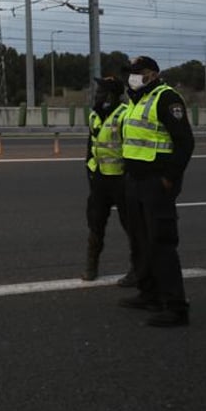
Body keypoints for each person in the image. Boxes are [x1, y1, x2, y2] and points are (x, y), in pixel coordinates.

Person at [116, 56, 195, 327]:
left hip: (155, 183)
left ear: (152, 74)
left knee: (161, 243)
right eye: (130, 73)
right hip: (135, 181)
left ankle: (175, 306)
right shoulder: (135, 102)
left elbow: (185, 142)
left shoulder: (166, 98)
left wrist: (168, 179)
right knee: (139, 240)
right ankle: (148, 294)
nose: (132, 77)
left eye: (137, 73)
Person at [81, 76, 137, 285]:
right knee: (95, 224)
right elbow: (90, 148)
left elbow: (131, 150)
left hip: (121, 181)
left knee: (131, 226)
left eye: (100, 92)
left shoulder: (124, 115)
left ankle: (137, 269)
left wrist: (129, 179)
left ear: (111, 95)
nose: (96, 95)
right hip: (100, 181)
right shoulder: (95, 116)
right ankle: (91, 266)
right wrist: (90, 173)